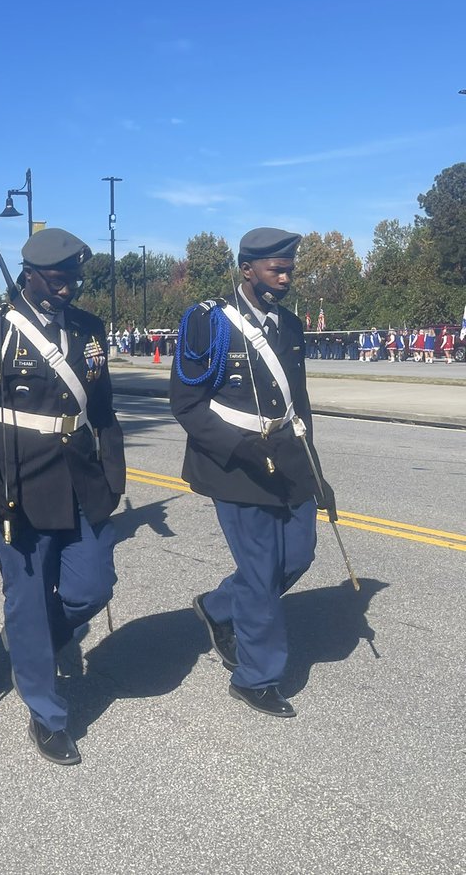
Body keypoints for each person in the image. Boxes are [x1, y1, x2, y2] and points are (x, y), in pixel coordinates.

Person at [0, 227, 125, 767]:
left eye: (76, 275)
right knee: (27, 600)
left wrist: (114, 479)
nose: (71, 286)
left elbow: (102, 410)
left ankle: (30, 646)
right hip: (17, 487)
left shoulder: (89, 330)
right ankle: (47, 713)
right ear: (31, 275)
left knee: (93, 586)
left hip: (81, 479)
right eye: (60, 276)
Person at [170, 228, 336, 719]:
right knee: (262, 573)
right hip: (234, 462)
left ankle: (219, 607)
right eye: (275, 269)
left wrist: (316, 472)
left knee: (298, 557)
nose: (285, 278)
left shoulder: (289, 325)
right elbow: (186, 403)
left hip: (287, 454)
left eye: (289, 269)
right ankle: (256, 676)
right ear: (247, 270)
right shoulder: (208, 323)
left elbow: (298, 405)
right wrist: (239, 448)